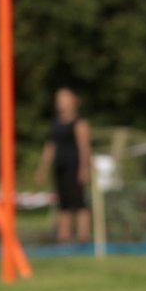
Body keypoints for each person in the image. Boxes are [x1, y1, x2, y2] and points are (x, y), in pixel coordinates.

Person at [34, 88, 91, 243]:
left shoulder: (79, 122)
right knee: (63, 203)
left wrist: (84, 169)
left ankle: (83, 236)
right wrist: (43, 168)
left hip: (74, 166)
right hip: (60, 167)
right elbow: (50, 147)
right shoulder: (56, 123)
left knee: (79, 202)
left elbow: (84, 147)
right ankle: (63, 237)